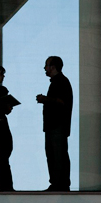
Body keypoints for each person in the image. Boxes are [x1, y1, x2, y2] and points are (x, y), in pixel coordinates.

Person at [36, 56, 73, 192]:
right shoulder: (60, 82)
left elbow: (61, 102)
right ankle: (59, 183)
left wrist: (45, 99)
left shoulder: (61, 82)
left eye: (46, 65)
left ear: (53, 67)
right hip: (55, 126)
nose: (45, 68)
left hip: (57, 126)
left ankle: (59, 184)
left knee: (57, 155)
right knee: (55, 155)